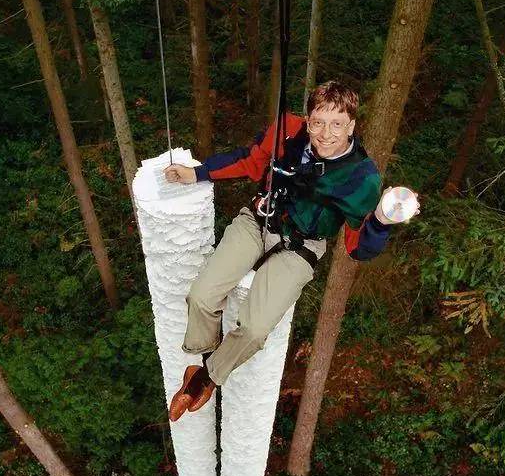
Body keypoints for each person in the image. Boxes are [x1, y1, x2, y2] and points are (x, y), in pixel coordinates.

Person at [164, 80, 415, 421]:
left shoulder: (361, 178)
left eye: (337, 124)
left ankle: (207, 377)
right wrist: (197, 174)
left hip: (301, 247)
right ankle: (203, 353)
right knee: (201, 296)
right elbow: (250, 162)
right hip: (259, 220)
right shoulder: (287, 130)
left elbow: (358, 248)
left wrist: (382, 221)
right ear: (308, 119)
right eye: (319, 122)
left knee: (254, 328)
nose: (326, 134)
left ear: (352, 125)